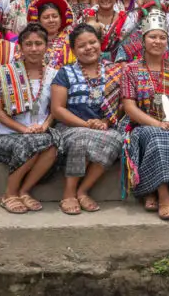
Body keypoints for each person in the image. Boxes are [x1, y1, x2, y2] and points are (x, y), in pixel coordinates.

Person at [121, 8, 169, 221]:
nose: (157, 41)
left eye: (162, 37)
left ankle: (151, 190)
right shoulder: (131, 70)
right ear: (143, 40)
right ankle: (164, 196)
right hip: (138, 125)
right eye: (152, 37)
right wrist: (157, 123)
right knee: (157, 137)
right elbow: (129, 107)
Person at [51, 24, 125, 215]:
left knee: (117, 139)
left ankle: (83, 191)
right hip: (69, 127)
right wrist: (86, 124)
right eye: (82, 45)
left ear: (100, 43)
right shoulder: (65, 73)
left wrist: (106, 122)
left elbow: (122, 105)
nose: (89, 48)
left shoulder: (114, 70)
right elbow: (57, 109)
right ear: (74, 50)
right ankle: (68, 193)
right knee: (82, 138)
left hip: (104, 127)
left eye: (92, 42)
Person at [0, 23, 61, 215]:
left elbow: (56, 109)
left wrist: (45, 125)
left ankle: (24, 190)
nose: (34, 48)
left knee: (53, 144)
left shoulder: (54, 74)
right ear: (20, 47)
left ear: (46, 46)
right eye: (28, 44)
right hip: (8, 134)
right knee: (32, 142)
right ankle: (9, 193)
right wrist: (24, 130)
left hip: (40, 131)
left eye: (39, 43)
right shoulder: (5, 73)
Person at [29, 0, 74, 70]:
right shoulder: (30, 40)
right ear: (39, 21)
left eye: (55, 16)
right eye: (46, 17)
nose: (51, 20)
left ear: (61, 19)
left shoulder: (71, 39)